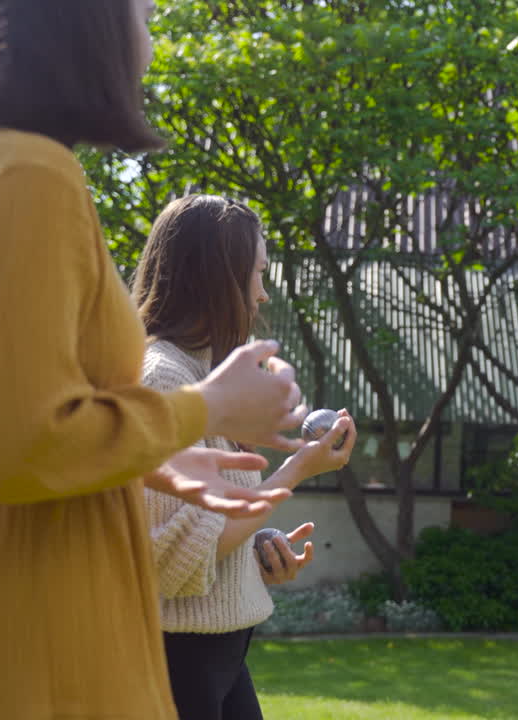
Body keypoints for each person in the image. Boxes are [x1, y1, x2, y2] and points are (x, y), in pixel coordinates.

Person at [0, 1, 309, 717]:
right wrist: (209, 409)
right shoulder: (33, 176)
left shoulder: (9, 166)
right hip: (41, 628)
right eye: (147, 16)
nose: (153, 41)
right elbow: (20, 443)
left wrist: (151, 463)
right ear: (91, 28)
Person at [134, 194, 357, 720]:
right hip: (177, 660)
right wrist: (300, 466)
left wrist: (255, 547)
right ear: (217, 279)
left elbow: (206, 525)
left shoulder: (199, 372)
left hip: (222, 655)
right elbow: (174, 557)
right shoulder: (163, 377)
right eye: (255, 273)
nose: (261, 293)